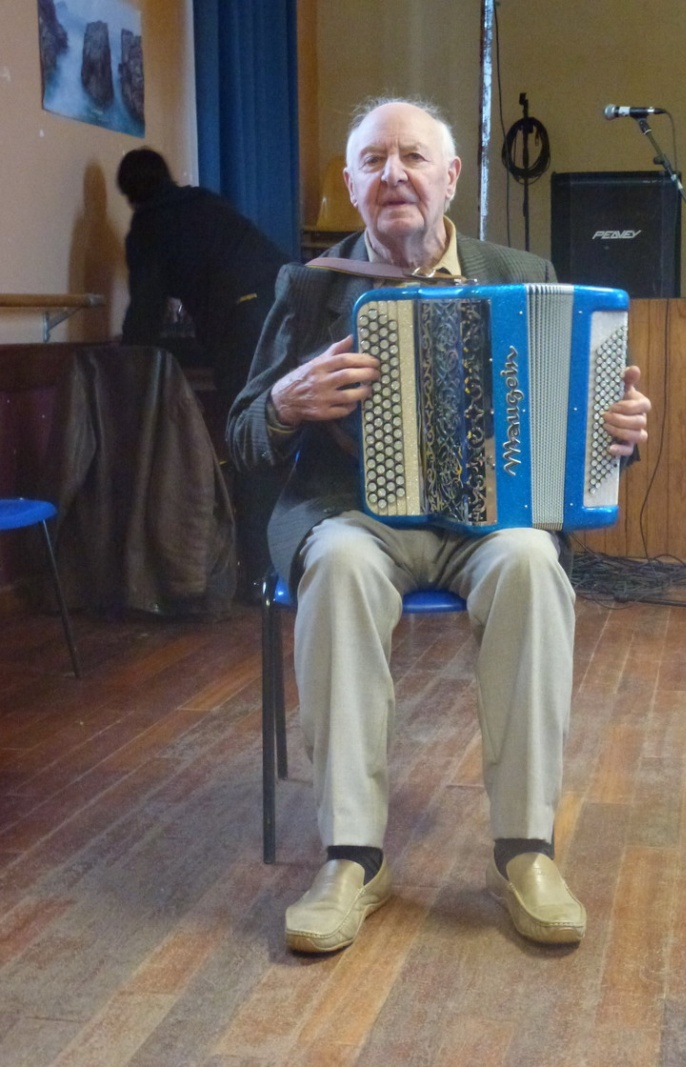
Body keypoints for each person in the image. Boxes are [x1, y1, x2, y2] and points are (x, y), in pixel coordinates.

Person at [227, 98, 651, 953]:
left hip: (487, 522)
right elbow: (240, 435)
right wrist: (282, 402)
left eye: (412, 157)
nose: (394, 175)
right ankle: (352, 856)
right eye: (373, 161)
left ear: (450, 177)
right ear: (350, 185)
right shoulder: (309, 288)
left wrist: (618, 429)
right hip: (354, 514)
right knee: (339, 567)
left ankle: (524, 850)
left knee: (533, 562)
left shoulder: (518, 269)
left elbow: (580, 418)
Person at [117, 147, 289, 595]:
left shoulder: (148, 225)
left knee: (248, 439)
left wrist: (128, 362)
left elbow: (146, 310)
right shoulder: (204, 202)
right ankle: (288, 560)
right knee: (281, 433)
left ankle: (258, 576)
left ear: (131, 194)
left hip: (242, 318)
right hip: (284, 305)